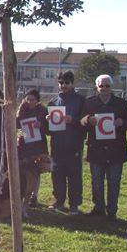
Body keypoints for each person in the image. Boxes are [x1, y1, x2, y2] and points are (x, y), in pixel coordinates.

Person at [80, 74, 127, 219]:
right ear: (96, 87)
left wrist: (123, 122)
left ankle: (112, 210)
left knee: (114, 182)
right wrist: (88, 120)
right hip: (96, 149)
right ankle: (99, 208)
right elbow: (81, 121)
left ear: (111, 87)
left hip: (116, 150)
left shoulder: (121, 104)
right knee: (97, 182)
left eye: (107, 85)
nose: (104, 88)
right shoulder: (89, 103)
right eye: (101, 86)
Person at [47, 71, 85, 215]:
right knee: (57, 174)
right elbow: (48, 130)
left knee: (74, 175)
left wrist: (73, 120)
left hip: (73, 144)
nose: (63, 85)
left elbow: (85, 121)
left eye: (67, 82)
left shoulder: (80, 100)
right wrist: (47, 120)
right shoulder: (53, 102)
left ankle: (74, 204)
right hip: (57, 144)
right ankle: (59, 200)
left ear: (72, 83)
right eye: (61, 82)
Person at [17, 88, 49, 216]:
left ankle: (34, 195)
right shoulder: (21, 109)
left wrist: (41, 125)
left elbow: (49, 128)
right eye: (27, 99)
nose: (29, 101)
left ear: (37, 100)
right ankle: (24, 193)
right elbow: (16, 124)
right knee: (24, 170)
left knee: (36, 171)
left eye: (32, 99)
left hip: (38, 143)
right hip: (24, 143)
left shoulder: (42, 110)